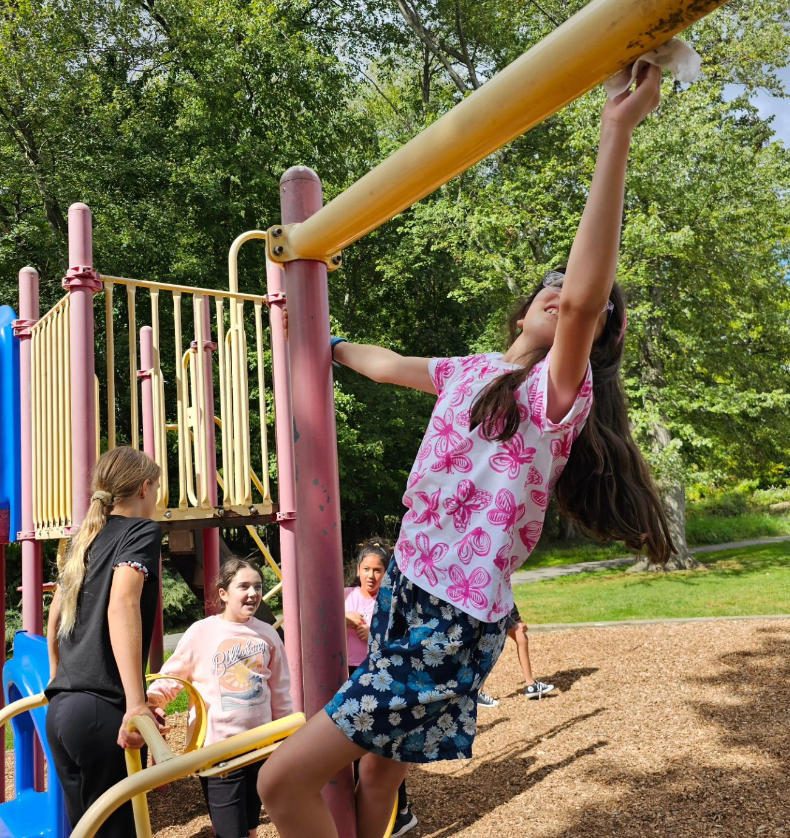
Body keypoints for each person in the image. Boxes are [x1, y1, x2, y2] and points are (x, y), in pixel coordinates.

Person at [259, 65, 673, 838]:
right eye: (551, 280)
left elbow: (587, 295)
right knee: (379, 769)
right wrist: (318, 333)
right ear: (523, 302)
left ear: (595, 337)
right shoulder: (470, 371)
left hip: (452, 617)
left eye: (592, 305)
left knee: (281, 781)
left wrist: (615, 132)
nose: (569, 291)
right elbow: (381, 362)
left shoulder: (557, 396)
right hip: (407, 594)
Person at [45, 446, 163, 838]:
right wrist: (135, 702)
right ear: (145, 488)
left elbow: (54, 619)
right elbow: (123, 604)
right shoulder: (141, 531)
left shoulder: (86, 537)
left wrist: (60, 677)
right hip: (102, 712)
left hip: (61, 711)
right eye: (157, 487)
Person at [148, 557, 293, 838]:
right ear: (224, 594)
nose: (253, 593)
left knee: (250, 826)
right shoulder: (202, 632)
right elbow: (172, 677)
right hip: (219, 751)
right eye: (244, 586)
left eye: (258, 586)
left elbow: (280, 692)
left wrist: (284, 737)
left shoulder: (267, 635)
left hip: (259, 748)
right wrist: (153, 699)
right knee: (230, 831)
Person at [345, 540, 417, 837]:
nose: (371, 576)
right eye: (366, 569)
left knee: (383, 748)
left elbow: (403, 640)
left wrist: (373, 631)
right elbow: (319, 616)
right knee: (354, 748)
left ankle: (401, 812)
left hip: (378, 675)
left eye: (378, 570)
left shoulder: (391, 601)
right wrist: (343, 616)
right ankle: (361, 808)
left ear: (387, 573)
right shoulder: (345, 596)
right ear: (358, 570)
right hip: (347, 673)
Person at [477, 605, 554, 708]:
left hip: (495, 609)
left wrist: (516, 618)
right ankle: (477, 693)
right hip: (491, 609)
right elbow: (505, 592)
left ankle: (531, 685)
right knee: (488, 647)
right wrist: (517, 618)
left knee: (521, 638)